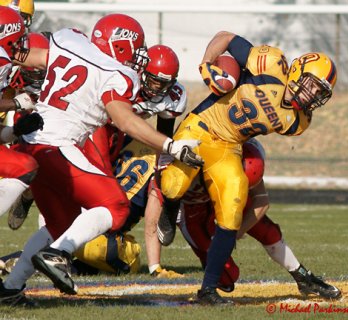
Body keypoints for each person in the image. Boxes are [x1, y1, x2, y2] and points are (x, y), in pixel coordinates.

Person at [0, 13, 202, 306]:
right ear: (120, 46)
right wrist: (171, 146)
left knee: (63, 221)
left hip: (31, 142)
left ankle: (11, 288)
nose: (138, 57)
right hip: (58, 146)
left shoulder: (70, 41)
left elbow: (31, 56)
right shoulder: (115, 73)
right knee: (117, 207)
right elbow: (126, 122)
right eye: (136, 48)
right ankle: (58, 254)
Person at [157, 31, 337, 304]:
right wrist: (208, 62)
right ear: (298, 71)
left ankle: (207, 291)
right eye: (312, 86)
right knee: (173, 184)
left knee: (233, 207)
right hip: (202, 127)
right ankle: (170, 209)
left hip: (228, 146)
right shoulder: (270, 63)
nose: (313, 96)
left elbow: (255, 132)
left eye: (320, 94)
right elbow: (227, 38)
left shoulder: (297, 122)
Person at [73, 44, 187, 278]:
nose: (160, 89)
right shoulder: (125, 81)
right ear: (142, 72)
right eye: (155, 81)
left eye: (166, 83)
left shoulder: (168, 99)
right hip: (98, 126)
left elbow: (163, 136)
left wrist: (162, 162)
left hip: (123, 141)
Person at [178, 139, 341, 301]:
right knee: (228, 277)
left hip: (226, 197)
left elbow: (261, 202)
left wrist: (234, 234)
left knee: (267, 229)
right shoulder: (203, 158)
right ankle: (208, 287)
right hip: (195, 212)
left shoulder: (244, 158)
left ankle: (302, 276)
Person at [0, 7, 43, 218]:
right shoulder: (2, 59)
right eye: (16, 41)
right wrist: (16, 104)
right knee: (25, 167)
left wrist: (13, 131)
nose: (19, 47)